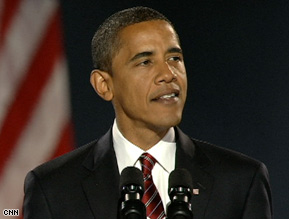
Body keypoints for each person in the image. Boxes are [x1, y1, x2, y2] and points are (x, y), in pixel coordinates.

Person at [23, 6, 273, 219]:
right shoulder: (53, 188)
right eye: (145, 61)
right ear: (104, 85)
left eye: (175, 58)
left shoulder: (241, 181)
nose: (168, 74)